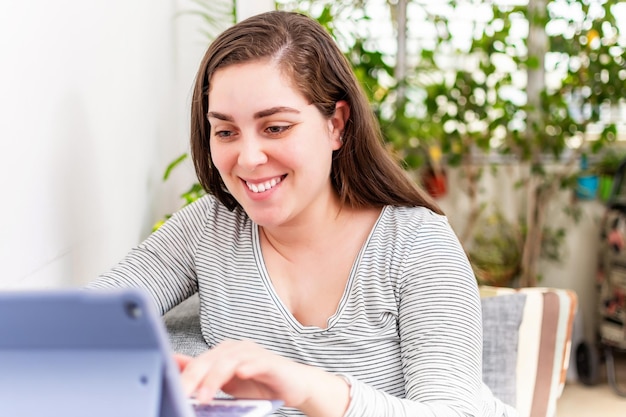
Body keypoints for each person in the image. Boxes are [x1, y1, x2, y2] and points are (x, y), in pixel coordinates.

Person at [89, 10, 518, 417]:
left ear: (336, 124)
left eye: (275, 127)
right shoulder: (209, 226)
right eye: (225, 131)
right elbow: (87, 320)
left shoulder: (417, 246)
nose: (249, 157)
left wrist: (302, 386)